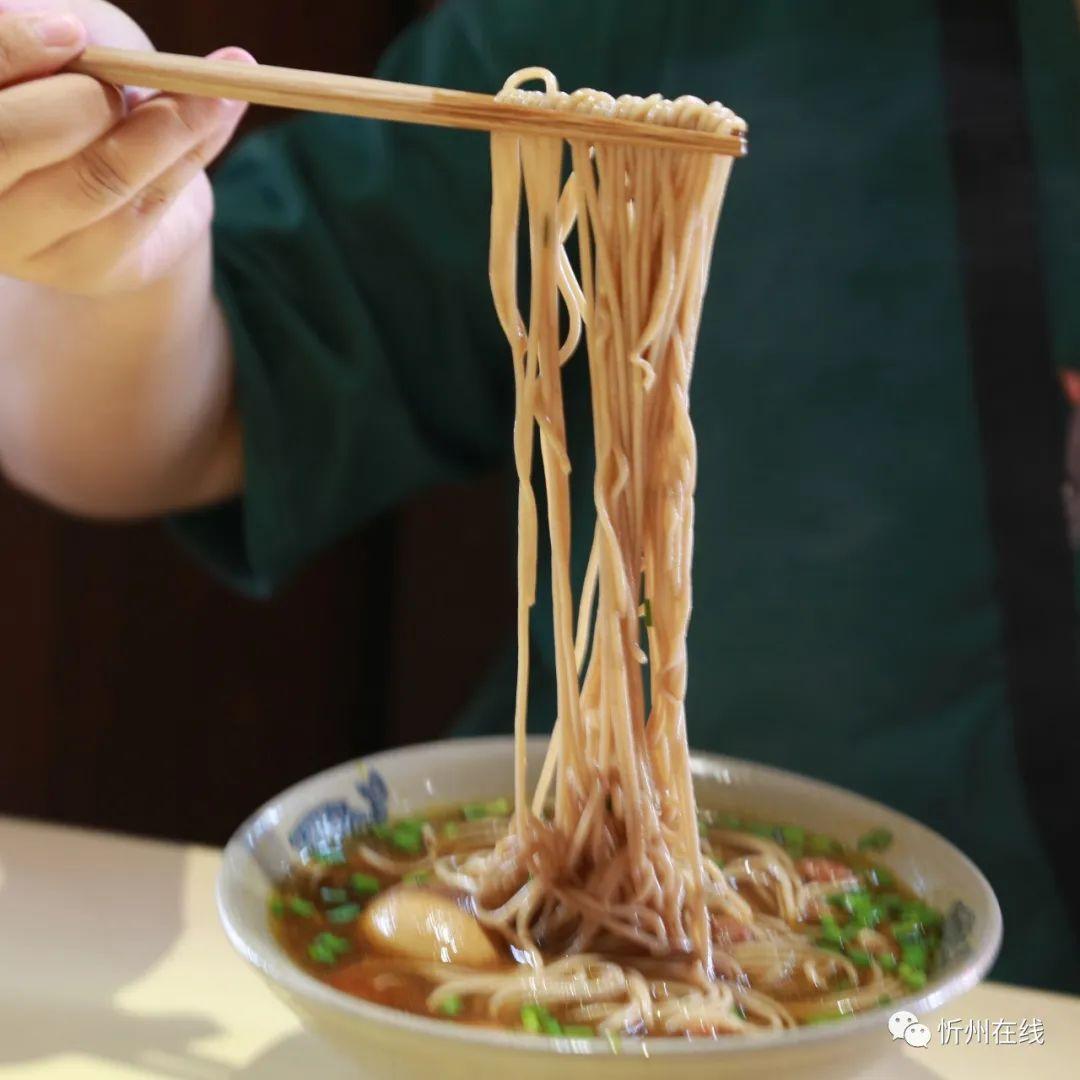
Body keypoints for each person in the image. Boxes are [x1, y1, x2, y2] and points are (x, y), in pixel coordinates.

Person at [0, 0, 1077, 991]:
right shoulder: (641, 23)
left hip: (980, 1012)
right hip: (563, 936)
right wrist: (113, 225)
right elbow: (205, 397)